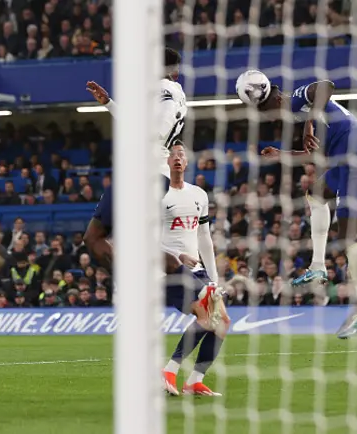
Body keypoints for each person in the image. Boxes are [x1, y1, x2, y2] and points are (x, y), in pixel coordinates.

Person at [236, 70, 357, 339]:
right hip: (346, 159)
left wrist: (308, 125)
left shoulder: (295, 99)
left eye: (262, 110)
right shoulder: (295, 111)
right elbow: (315, 152)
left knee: (348, 236)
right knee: (315, 194)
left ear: (269, 99)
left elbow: (326, 85)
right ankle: (318, 265)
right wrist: (283, 154)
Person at [83, 47, 184, 270]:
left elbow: (165, 120)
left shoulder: (166, 88)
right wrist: (109, 103)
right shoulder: (160, 90)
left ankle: (199, 290)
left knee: (107, 240)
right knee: (97, 238)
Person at [161, 141, 229, 397]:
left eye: (182, 155)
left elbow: (205, 238)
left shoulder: (199, 195)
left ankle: (194, 381)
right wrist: (177, 255)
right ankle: (169, 371)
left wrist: (213, 278)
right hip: (167, 270)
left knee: (221, 321)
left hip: (198, 270)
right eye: (173, 155)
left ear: (187, 162)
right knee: (205, 315)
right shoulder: (159, 195)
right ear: (166, 162)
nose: (177, 159)